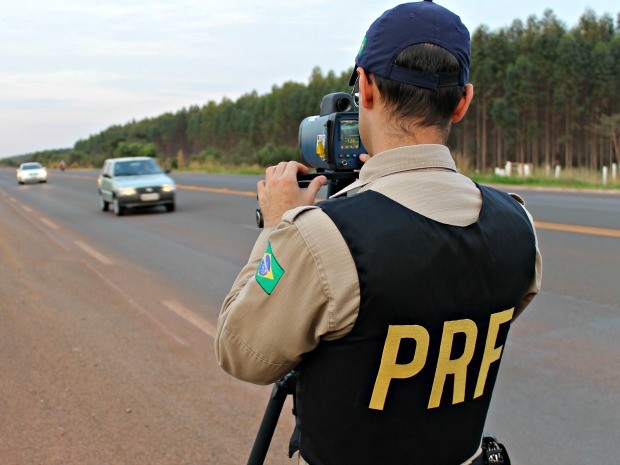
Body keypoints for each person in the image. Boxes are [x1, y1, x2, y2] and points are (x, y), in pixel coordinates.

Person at [216, 1, 542, 464]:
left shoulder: (323, 238)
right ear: (463, 102)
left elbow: (240, 350)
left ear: (365, 88)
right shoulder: (518, 226)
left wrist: (277, 229)